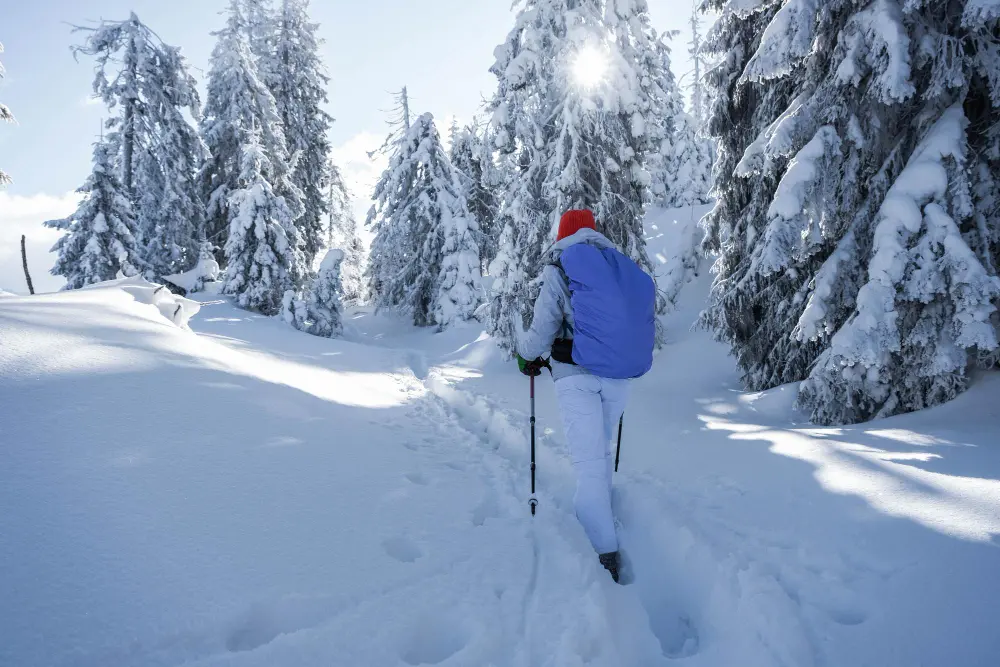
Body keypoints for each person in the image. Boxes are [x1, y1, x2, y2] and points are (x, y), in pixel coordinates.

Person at [516, 209, 655, 583]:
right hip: (617, 376)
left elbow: (544, 323)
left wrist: (525, 354)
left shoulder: (562, 265)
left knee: (589, 460)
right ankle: (603, 521)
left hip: (575, 375)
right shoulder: (618, 265)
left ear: (563, 233)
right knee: (601, 452)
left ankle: (602, 552)